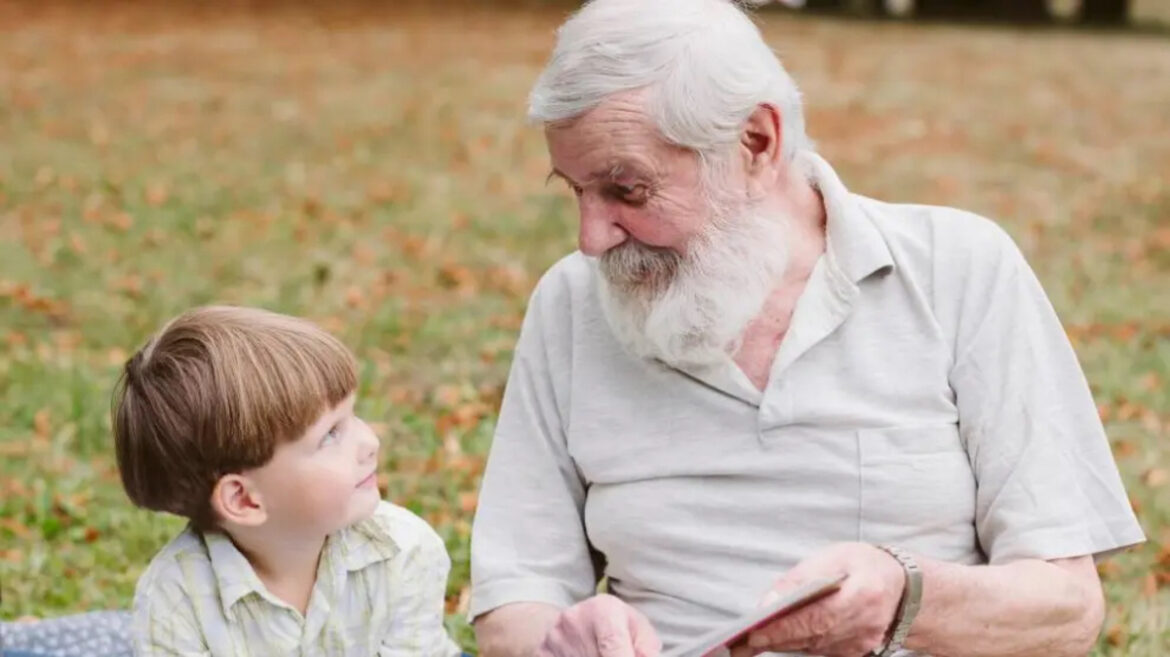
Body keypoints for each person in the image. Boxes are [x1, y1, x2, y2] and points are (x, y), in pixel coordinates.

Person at [468, 1, 1145, 656]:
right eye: (575, 190)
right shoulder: (571, 303)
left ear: (757, 143)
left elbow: (1066, 611)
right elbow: (516, 597)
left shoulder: (958, 269)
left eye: (628, 191)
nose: (591, 238)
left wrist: (906, 597)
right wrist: (563, 642)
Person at [111, 306, 462, 657]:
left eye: (352, 416)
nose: (371, 442)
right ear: (245, 500)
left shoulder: (403, 550)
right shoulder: (176, 601)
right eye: (330, 435)